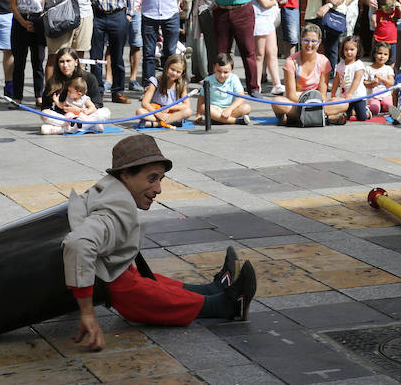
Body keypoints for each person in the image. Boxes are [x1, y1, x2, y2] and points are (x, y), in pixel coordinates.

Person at [63, 134, 256, 351]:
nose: (158, 189)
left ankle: (211, 290)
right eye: (151, 179)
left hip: (103, 269)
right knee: (130, 285)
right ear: (125, 175)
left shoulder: (110, 187)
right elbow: (78, 244)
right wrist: (87, 312)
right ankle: (225, 305)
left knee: (138, 276)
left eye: (160, 180)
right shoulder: (114, 211)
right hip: (106, 284)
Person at [271, 24, 349, 125]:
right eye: (306, 40)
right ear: (301, 39)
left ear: (319, 42)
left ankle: (297, 117)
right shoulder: (291, 61)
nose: (309, 44)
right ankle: (324, 117)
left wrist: (312, 102)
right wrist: (306, 102)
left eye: (314, 41)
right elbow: (291, 95)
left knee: (344, 103)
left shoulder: (324, 62)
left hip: (316, 102)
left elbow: (322, 95)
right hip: (296, 103)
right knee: (277, 102)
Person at [6, 0, 47, 107]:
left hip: (37, 19)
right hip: (20, 21)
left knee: (38, 61)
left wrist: (38, 22)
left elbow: (44, 2)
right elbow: (13, 5)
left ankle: (39, 95)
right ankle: (17, 97)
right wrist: (23, 22)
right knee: (19, 62)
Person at [40, 48, 111, 135]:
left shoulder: (89, 78)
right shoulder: (53, 81)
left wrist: (79, 110)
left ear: (76, 62)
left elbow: (98, 104)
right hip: (65, 117)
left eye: (68, 61)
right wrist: (60, 105)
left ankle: (62, 130)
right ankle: (90, 126)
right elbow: (45, 106)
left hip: (85, 115)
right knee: (44, 114)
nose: (65, 65)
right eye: (61, 62)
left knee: (105, 112)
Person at [251, 0, 282, 95]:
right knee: (259, 54)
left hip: (268, 18)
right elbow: (265, 2)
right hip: (259, 18)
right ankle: (255, 85)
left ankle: (277, 83)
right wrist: (273, 1)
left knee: (272, 51)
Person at [137, 54, 194, 128]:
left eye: (178, 72)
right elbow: (145, 103)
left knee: (188, 111)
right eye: (172, 69)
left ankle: (156, 124)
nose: (174, 73)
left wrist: (169, 107)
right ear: (166, 67)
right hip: (156, 111)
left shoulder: (181, 85)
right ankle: (172, 122)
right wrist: (158, 114)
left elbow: (186, 105)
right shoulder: (156, 82)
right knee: (139, 112)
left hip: (171, 112)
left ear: (182, 73)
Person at [196, 53, 252, 125]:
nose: (222, 75)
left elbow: (241, 97)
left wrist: (229, 109)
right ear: (214, 68)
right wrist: (198, 114)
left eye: (225, 72)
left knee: (246, 108)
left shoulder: (234, 78)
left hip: (230, 109)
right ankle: (236, 121)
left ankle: (218, 119)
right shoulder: (208, 80)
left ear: (232, 70)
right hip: (215, 109)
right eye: (219, 71)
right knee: (204, 107)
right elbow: (201, 97)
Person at [331, 35, 368, 121]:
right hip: (345, 97)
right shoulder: (340, 65)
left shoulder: (359, 65)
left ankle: (367, 112)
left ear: (357, 50)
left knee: (362, 117)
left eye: (352, 49)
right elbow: (336, 80)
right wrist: (333, 93)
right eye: (346, 49)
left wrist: (350, 94)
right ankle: (352, 112)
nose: (349, 52)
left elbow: (356, 81)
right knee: (345, 116)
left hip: (358, 96)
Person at [370, 0, 401, 65]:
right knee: (377, 58)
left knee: (392, 60)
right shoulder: (378, 13)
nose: (389, 10)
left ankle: (390, 73)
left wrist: (399, 8)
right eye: (386, 7)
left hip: (391, 41)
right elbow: (374, 23)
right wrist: (373, 20)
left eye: (391, 7)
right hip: (379, 40)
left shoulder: (395, 12)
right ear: (381, 6)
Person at [364, 41, 395, 116]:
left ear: (389, 56)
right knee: (375, 109)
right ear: (374, 54)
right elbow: (364, 83)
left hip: (385, 95)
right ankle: (374, 107)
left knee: (388, 105)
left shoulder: (388, 69)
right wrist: (371, 83)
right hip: (373, 96)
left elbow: (391, 83)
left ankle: (385, 107)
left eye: (385, 54)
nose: (382, 56)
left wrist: (382, 78)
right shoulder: (368, 68)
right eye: (380, 53)